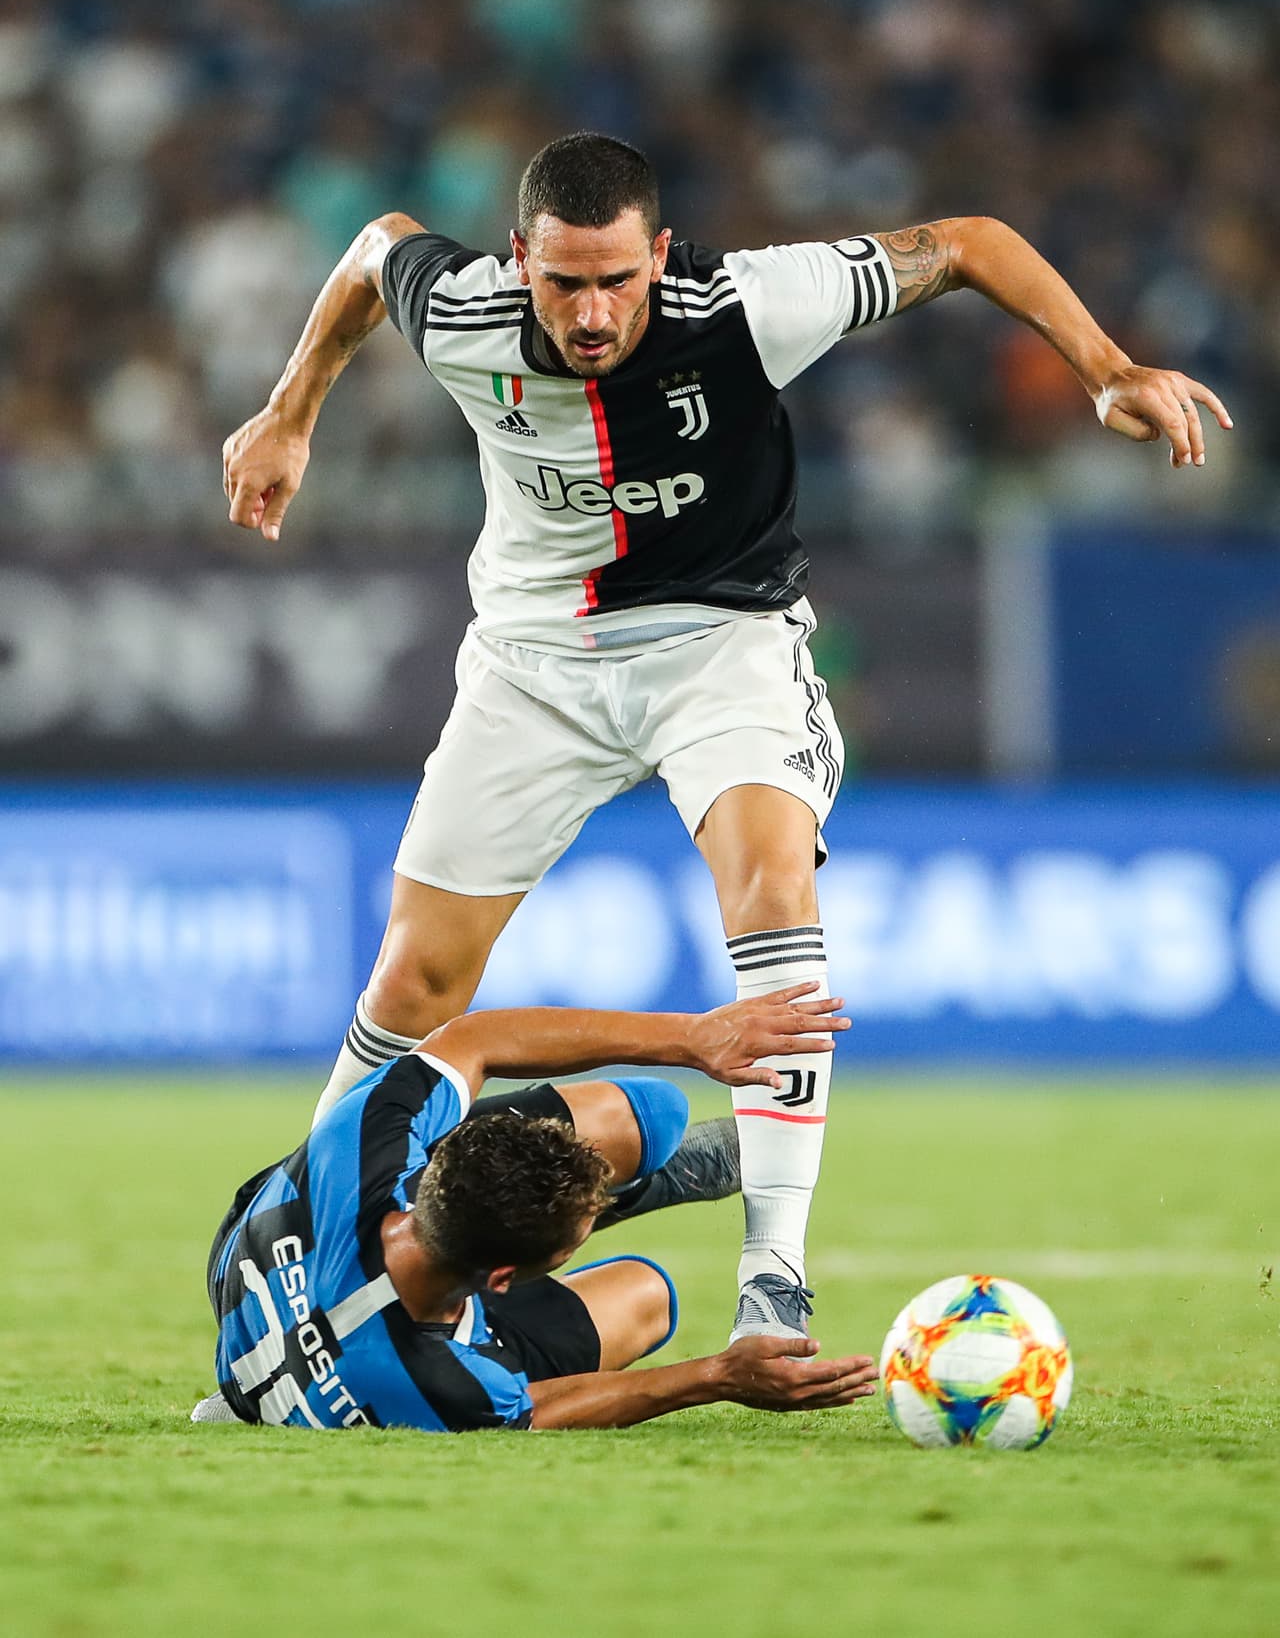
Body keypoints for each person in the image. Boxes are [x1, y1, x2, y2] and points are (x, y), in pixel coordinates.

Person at [222, 133, 1233, 1341]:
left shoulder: (745, 304)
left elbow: (967, 245)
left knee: (767, 885)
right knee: (413, 981)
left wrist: (1104, 366)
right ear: (517, 261)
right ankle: (301, 1258)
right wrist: (290, 413)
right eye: (562, 282)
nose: (592, 313)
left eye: (616, 280)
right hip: (533, 669)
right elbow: (369, 248)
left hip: (721, 647)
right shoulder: (459, 308)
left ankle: (772, 1277)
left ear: (658, 255)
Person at [196, 986, 880, 1432]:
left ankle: (553, 1202)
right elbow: (539, 1410)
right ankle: (595, 1197)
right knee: (648, 1298)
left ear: (438, 1167)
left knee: (651, 1114)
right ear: (500, 1280)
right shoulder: (455, 1383)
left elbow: (473, 1040)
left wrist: (688, 1038)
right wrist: (716, 1377)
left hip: (258, 1258)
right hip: (401, 1340)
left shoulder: (361, 1141)